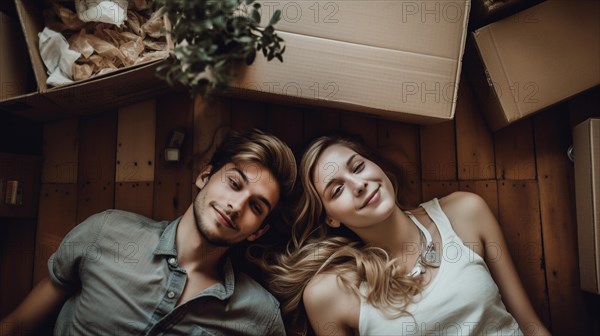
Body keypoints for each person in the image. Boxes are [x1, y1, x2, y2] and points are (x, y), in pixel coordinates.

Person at [1, 129, 296, 335]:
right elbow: (16, 327)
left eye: (256, 207)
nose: (236, 205)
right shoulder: (106, 232)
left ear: (257, 232)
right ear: (205, 176)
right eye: (234, 183)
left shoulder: (259, 317)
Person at [265, 133, 550, 336]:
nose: (359, 184)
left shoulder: (464, 212)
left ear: (377, 166)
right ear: (330, 217)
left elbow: (530, 325)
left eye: (358, 166)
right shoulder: (330, 293)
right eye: (337, 189)